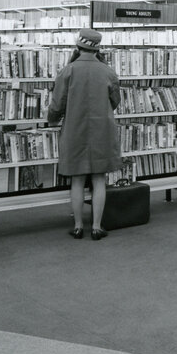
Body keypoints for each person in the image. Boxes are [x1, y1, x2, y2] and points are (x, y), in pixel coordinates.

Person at [47, 29, 122, 240]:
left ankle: (78, 226)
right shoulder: (107, 71)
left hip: (74, 130)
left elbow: (57, 104)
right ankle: (97, 227)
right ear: (98, 48)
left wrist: (52, 119)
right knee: (99, 179)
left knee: (77, 180)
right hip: (102, 130)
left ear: (78, 46)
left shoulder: (68, 70)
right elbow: (116, 101)